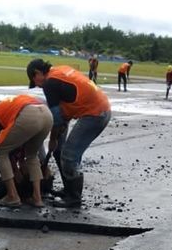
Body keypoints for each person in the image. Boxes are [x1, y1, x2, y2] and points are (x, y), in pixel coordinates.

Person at [27, 59, 112, 208]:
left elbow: (57, 119)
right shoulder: (60, 70)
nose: (38, 86)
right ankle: (69, 189)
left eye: (35, 81)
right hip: (100, 108)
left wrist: (53, 140)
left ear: (37, 73)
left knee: (69, 155)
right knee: (62, 151)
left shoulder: (49, 83)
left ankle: (74, 198)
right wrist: (57, 142)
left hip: (95, 114)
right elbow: (64, 112)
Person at [0, 95, 53, 208]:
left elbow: (3, 148)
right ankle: (37, 198)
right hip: (46, 113)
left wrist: (15, 170)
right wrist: (20, 163)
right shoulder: (8, 107)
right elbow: (20, 141)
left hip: (29, 115)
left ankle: (12, 196)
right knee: (32, 155)